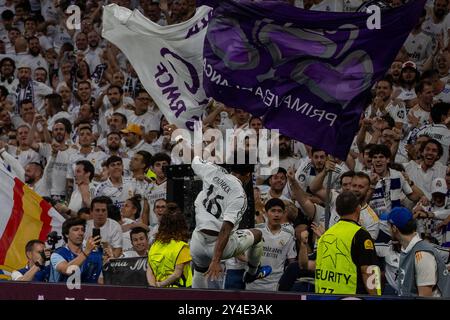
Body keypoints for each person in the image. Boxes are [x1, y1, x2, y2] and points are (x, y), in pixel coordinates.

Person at [189, 155, 272, 289]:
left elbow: (195, 160)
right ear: (249, 175)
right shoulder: (239, 194)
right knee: (257, 234)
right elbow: (225, 229)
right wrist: (216, 260)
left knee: (199, 272)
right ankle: (252, 273)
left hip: (198, 241)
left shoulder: (212, 170)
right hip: (220, 246)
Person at [315, 191, 381, 295]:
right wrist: (376, 297)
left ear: (337, 210)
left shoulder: (325, 236)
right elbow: (368, 271)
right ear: (358, 209)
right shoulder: (361, 235)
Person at [382, 207, 450, 297]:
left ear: (394, 228)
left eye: (388, 226)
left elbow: (425, 297)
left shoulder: (422, 254)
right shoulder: (407, 249)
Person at [245, 198, 297, 291]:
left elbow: (291, 261)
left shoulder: (289, 235)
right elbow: (239, 253)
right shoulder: (256, 231)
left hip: (275, 285)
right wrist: (252, 264)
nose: (276, 215)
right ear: (266, 213)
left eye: (279, 211)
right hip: (252, 283)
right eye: (273, 211)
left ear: (283, 213)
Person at [147, 203, 193, 288]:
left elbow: (150, 271)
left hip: (157, 292)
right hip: (180, 293)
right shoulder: (182, 247)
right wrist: (161, 285)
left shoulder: (154, 245)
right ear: (182, 225)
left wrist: (154, 287)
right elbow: (177, 274)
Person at [49, 218, 102, 283]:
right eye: (76, 230)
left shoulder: (94, 255)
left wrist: (109, 262)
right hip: (62, 292)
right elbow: (68, 270)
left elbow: (100, 280)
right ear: (66, 234)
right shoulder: (57, 254)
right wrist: (86, 252)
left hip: (88, 292)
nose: (81, 233)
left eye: (82, 230)